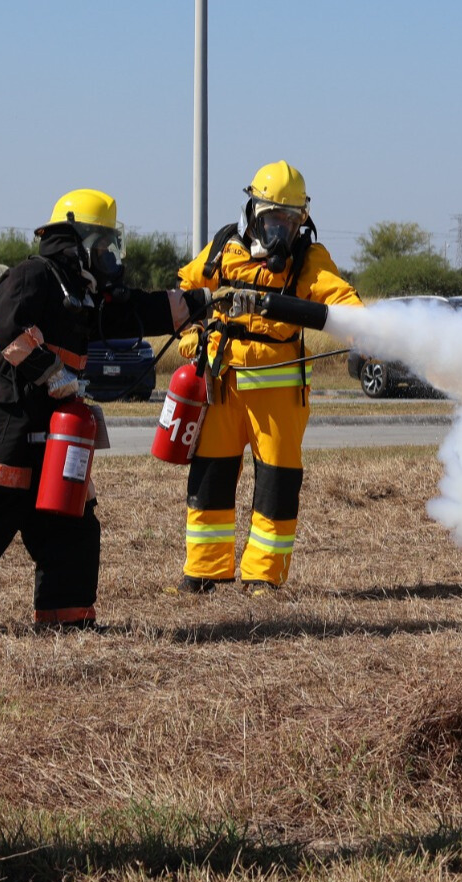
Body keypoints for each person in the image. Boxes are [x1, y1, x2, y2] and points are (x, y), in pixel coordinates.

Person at [0, 189, 212, 629]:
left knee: (74, 531)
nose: (107, 254)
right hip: (5, 434)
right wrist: (51, 372)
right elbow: (8, 326)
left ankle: (65, 621)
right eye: (100, 243)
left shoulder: (81, 293)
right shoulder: (34, 275)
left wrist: (201, 305)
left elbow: (134, 313)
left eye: (111, 244)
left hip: (53, 439)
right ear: (74, 239)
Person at [174, 160, 362, 594]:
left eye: (290, 220)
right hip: (221, 385)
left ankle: (262, 577)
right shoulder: (224, 246)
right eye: (273, 219)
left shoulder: (308, 259)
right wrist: (191, 335)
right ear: (253, 211)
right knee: (210, 477)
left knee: (276, 485)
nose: (281, 230)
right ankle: (203, 571)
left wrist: (366, 329)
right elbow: (186, 292)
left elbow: (340, 299)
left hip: (277, 394)